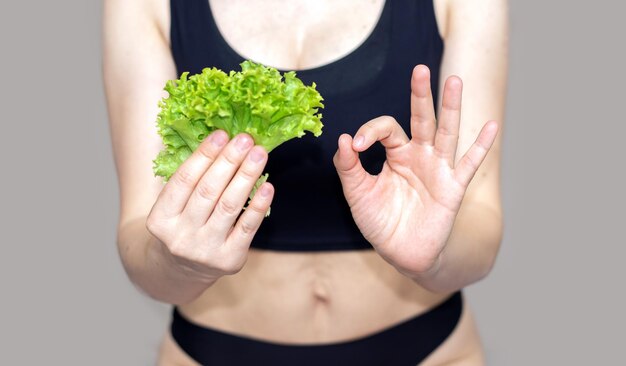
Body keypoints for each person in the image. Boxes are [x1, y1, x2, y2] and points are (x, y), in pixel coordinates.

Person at [103, 0, 508, 364]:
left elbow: (482, 225)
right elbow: (138, 238)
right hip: (212, 351)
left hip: (429, 350)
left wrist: (434, 256)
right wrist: (179, 263)